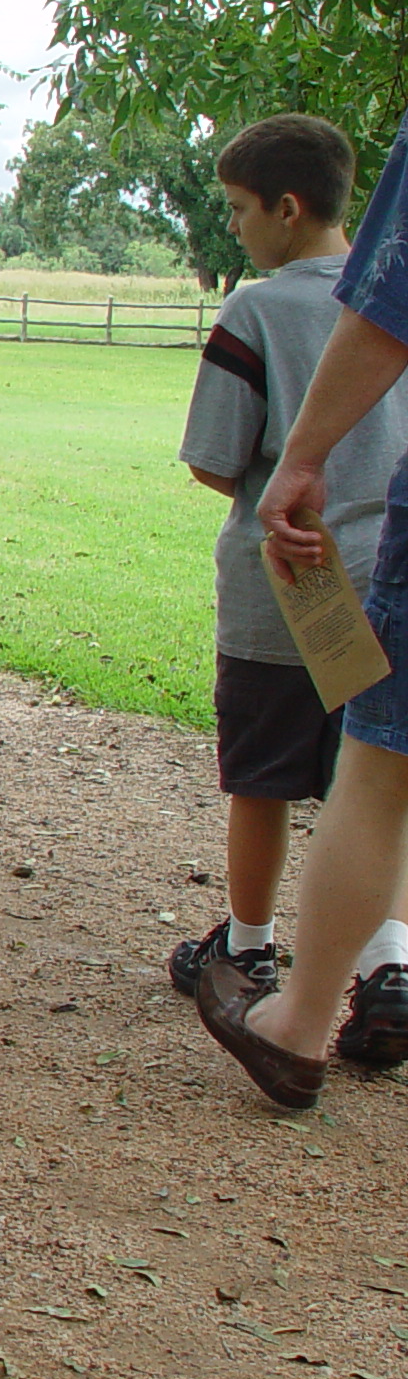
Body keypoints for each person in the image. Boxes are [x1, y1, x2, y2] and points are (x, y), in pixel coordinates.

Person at [171, 114, 408, 1056]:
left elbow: (216, 456)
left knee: (260, 778)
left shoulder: (257, 310)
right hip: (387, 566)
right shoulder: (389, 289)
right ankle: (386, 960)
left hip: (287, 584)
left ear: (286, 207)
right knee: (381, 778)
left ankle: (252, 945)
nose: (234, 228)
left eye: (237, 209)